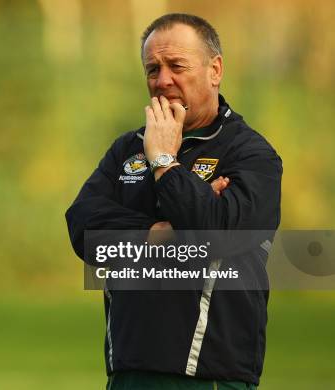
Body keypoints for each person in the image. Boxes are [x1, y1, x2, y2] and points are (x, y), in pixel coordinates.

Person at [65, 13, 282, 389]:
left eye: (176, 66)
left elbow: (217, 234)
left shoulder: (250, 154)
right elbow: (83, 226)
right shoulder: (128, 150)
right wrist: (155, 232)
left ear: (215, 70)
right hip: (127, 373)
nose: (162, 80)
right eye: (153, 68)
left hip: (209, 377)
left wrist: (165, 163)